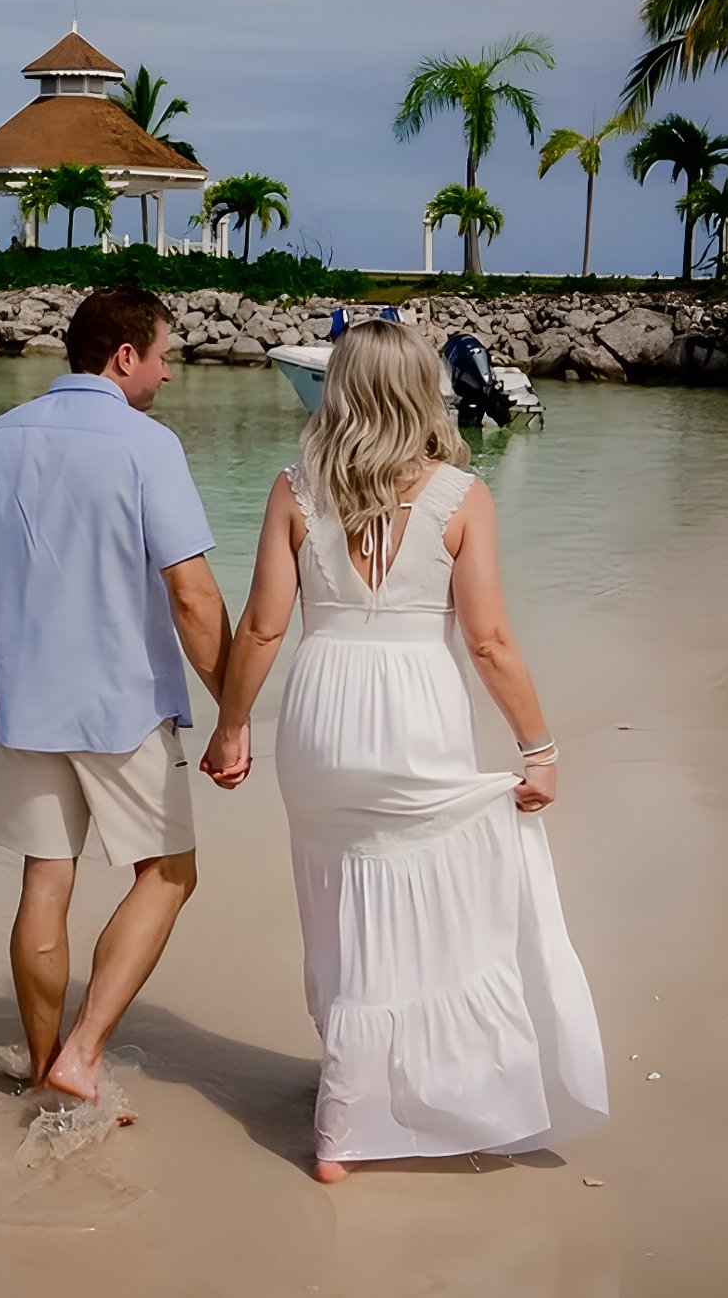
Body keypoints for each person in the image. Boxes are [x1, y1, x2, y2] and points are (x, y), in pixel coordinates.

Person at [200, 319, 606, 1182]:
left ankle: (347, 1094)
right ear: (425, 389)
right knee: (428, 899)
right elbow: (490, 641)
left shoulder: (294, 489)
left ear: (342, 387)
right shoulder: (462, 496)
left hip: (320, 711)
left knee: (338, 896)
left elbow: (265, 626)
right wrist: (540, 747)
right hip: (416, 704)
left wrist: (234, 724)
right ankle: (365, 1113)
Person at [0, 285, 229, 1103]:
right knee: (169, 873)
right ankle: (83, 1052)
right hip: (124, 707)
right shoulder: (148, 445)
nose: (170, 373)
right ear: (124, 358)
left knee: (46, 879)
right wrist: (236, 705)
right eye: (164, 355)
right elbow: (192, 595)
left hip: (27, 699)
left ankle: (44, 1074)